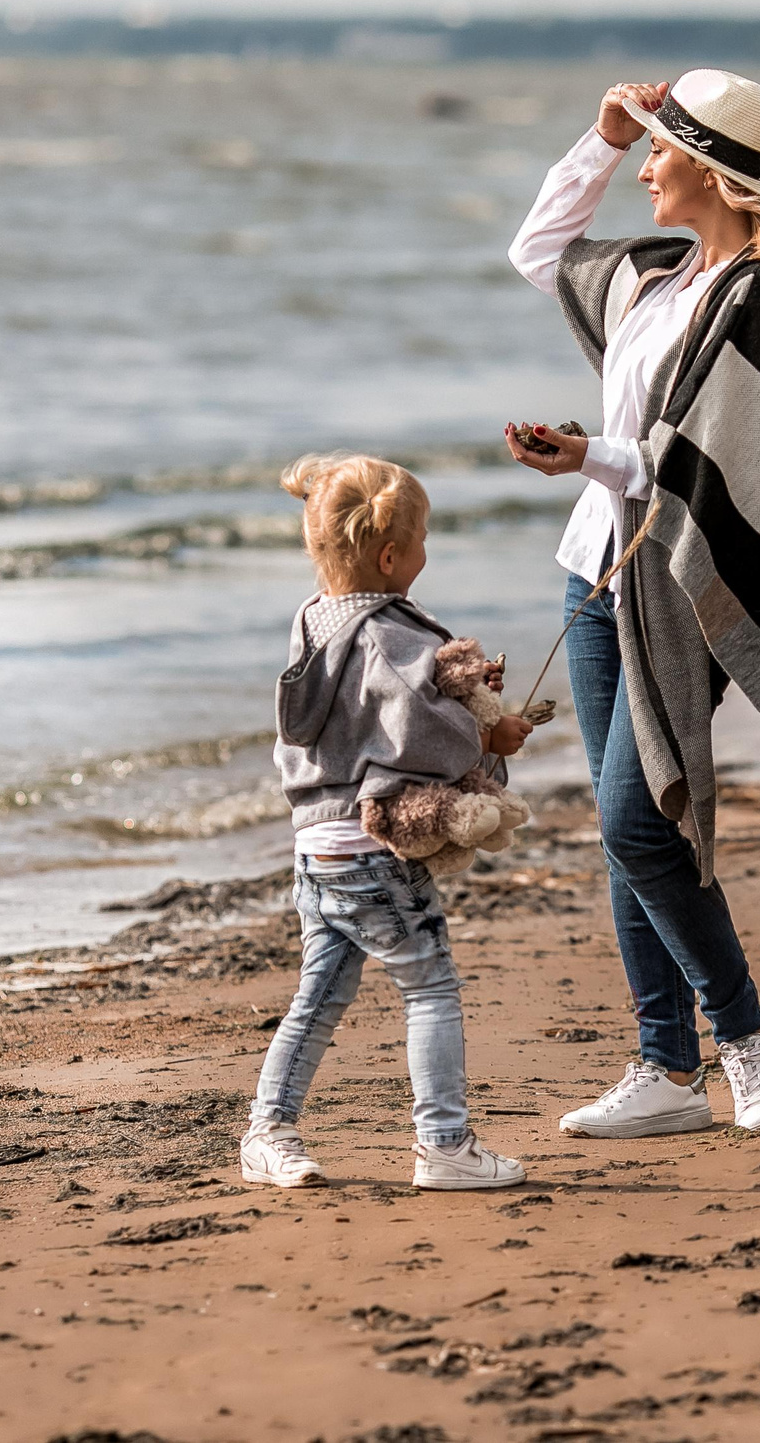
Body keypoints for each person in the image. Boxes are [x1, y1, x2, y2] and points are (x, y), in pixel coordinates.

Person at [505, 71, 760, 1139]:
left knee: (640, 821)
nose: (643, 169)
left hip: (688, 577)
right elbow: (537, 256)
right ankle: (665, 1069)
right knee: (622, 827)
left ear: (709, 168)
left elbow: (722, 463)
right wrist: (593, 137)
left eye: (655, 152)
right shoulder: (659, 278)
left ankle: (748, 1040)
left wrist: (587, 452)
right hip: (592, 574)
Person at [241, 452, 536, 1190]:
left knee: (318, 996)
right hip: (374, 846)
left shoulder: (315, 622)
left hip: (315, 847)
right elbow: (415, 730)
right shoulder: (389, 633)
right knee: (431, 986)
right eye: (425, 538)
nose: (428, 551)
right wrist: (486, 733)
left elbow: (356, 722)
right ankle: (444, 1144)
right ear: (390, 554)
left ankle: (267, 1134)